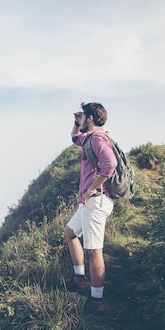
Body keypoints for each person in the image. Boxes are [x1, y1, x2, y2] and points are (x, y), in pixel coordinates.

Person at [65, 102, 117, 315]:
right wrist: (77, 123)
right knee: (70, 233)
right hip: (90, 202)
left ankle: (97, 301)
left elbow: (110, 165)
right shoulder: (89, 138)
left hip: (96, 201)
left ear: (92, 119)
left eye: (84, 117)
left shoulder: (97, 139)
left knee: (94, 251)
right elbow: (75, 139)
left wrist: (91, 189)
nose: (81, 120)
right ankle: (80, 279)